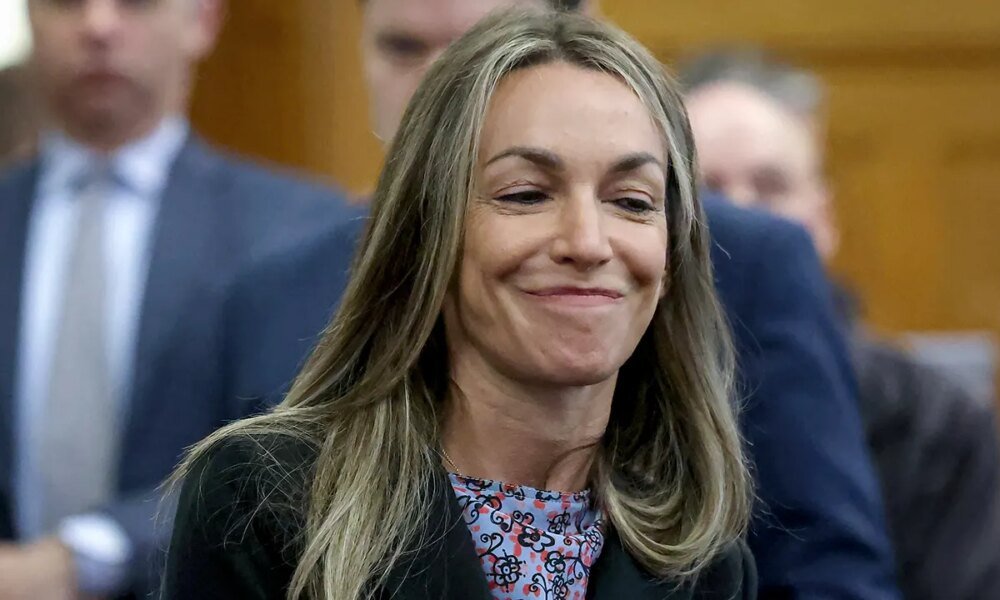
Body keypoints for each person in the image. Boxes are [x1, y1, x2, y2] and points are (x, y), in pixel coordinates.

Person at [163, 10, 755, 599]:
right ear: (429, 234)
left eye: (631, 201)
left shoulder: (707, 567)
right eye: (526, 194)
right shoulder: (266, 504)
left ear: (672, 256)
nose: (587, 242)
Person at [0, 0, 353, 598]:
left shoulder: (296, 228)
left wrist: (84, 556)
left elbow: (293, 458)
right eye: (65, 1)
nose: (98, 25)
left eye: (136, 2)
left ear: (203, 22)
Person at [682, 48, 1000, 600]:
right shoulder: (608, 400)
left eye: (770, 186)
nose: (744, 220)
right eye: (710, 195)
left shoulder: (936, 425)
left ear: (823, 217)